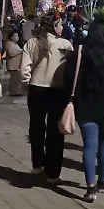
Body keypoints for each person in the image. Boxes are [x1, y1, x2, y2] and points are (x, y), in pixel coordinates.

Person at [65, 21, 104, 202]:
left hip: (86, 105)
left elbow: (68, 78)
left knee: (89, 145)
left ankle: (90, 187)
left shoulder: (81, 53)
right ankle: (103, 182)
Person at [20, 18, 74, 178]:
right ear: (54, 27)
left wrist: (26, 84)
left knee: (36, 127)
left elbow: (24, 69)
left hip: (37, 88)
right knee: (55, 131)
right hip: (58, 90)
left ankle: (37, 164)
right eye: (60, 24)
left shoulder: (32, 43)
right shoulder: (65, 44)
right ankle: (53, 172)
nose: (62, 27)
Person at [4, 31, 24, 96]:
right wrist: (21, 50)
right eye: (16, 36)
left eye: (18, 36)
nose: (17, 37)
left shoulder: (15, 44)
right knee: (14, 80)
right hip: (13, 65)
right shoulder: (9, 43)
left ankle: (16, 91)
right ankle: (14, 92)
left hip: (17, 64)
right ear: (12, 37)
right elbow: (12, 53)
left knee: (17, 79)